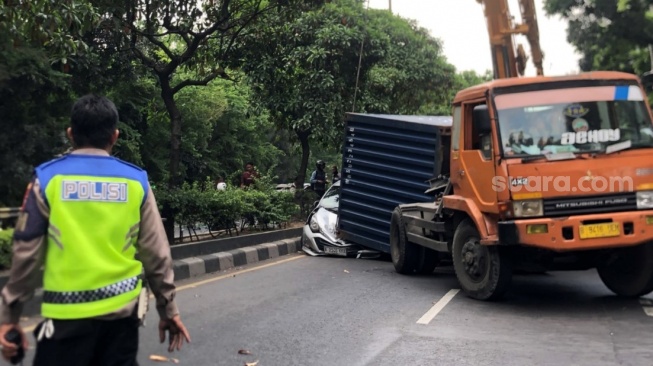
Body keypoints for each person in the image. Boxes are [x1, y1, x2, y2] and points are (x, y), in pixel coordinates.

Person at [0, 94, 191, 365]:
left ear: (70, 134)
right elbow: (157, 254)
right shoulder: (136, 181)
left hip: (64, 321)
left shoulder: (47, 179)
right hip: (121, 325)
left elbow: (26, 251)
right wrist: (169, 311)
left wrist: (10, 317)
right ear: (114, 136)